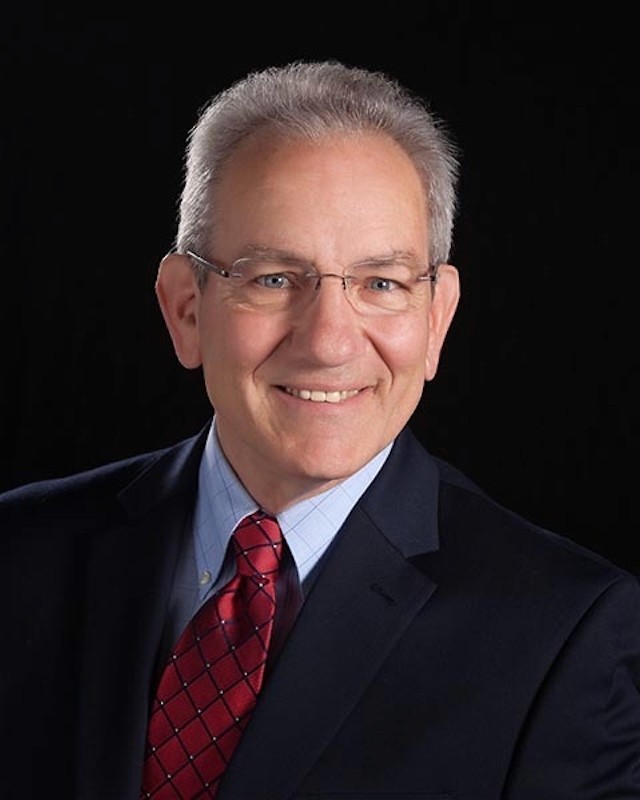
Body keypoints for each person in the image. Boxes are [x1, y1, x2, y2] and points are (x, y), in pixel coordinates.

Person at [2, 60, 639, 800]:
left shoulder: (564, 638)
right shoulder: (19, 558)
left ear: (436, 320)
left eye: (383, 284)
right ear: (186, 310)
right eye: (273, 277)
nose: (330, 341)